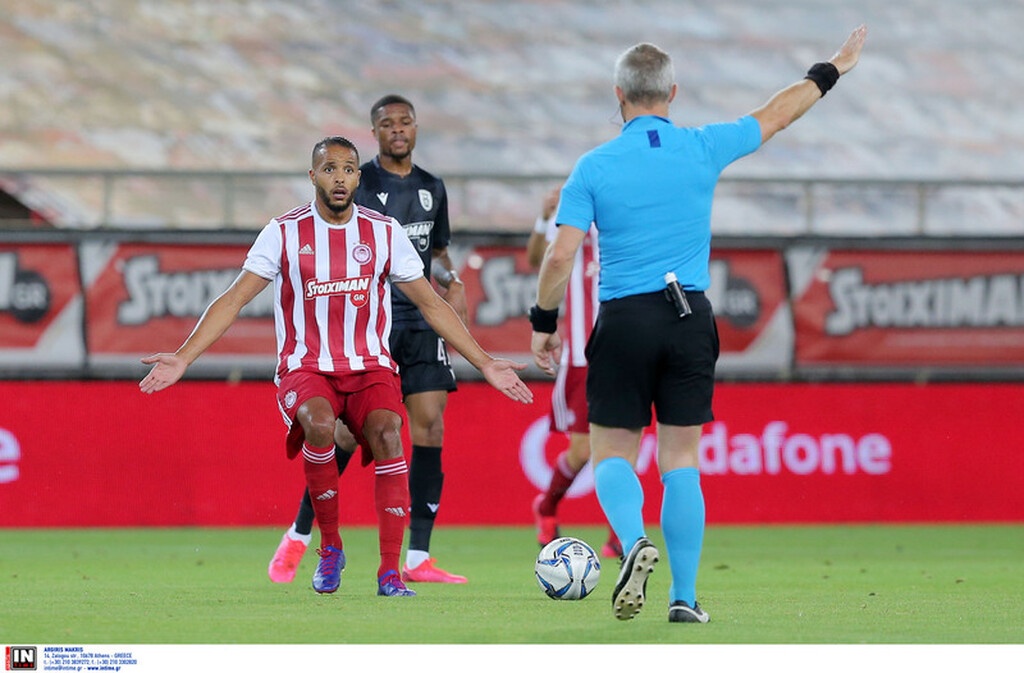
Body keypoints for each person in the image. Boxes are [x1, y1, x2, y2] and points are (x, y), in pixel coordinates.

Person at [530, 27, 867, 623]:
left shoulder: (594, 165)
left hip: (625, 316)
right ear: (673, 93)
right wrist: (832, 69)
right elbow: (776, 115)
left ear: (619, 95)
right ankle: (684, 599)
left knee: (612, 450)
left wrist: (544, 320)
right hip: (690, 314)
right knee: (681, 458)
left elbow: (559, 256)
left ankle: (633, 541)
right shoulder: (703, 145)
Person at [141, 136, 532, 599]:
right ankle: (330, 548)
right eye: (330, 169)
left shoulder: (384, 232)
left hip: (370, 366)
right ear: (313, 177)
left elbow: (431, 303)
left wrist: (484, 361)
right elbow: (234, 300)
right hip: (305, 366)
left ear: (358, 178)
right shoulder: (284, 232)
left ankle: (390, 572)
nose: (340, 178)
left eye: (348, 169)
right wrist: (184, 356)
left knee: (390, 432)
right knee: (319, 424)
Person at [268, 95, 472, 585]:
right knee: (337, 433)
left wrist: (452, 277)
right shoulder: (359, 184)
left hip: (422, 320)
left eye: (405, 122)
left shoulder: (431, 187)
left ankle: (416, 557)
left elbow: (436, 252)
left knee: (427, 429)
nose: (398, 131)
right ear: (374, 132)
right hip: (372, 324)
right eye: (387, 124)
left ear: (417, 128)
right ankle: (301, 535)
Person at [526, 186, 621, 559]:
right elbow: (537, 258)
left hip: (626, 353)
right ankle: (546, 507)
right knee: (582, 450)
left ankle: (620, 535)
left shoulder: (627, 223)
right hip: (583, 354)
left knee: (620, 445)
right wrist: (545, 217)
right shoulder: (574, 222)